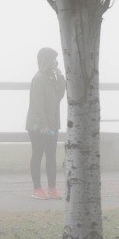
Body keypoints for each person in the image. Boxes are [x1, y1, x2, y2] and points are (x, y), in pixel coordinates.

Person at [26, 47, 66, 200]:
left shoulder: (53, 78)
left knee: (51, 156)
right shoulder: (38, 79)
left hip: (52, 124)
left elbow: (60, 95)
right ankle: (37, 189)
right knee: (38, 154)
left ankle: (52, 188)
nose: (55, 63)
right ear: (46, 61)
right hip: (37, 126)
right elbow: (38, 105)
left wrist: (61, 77)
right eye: (52, 59)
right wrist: (43, 126)